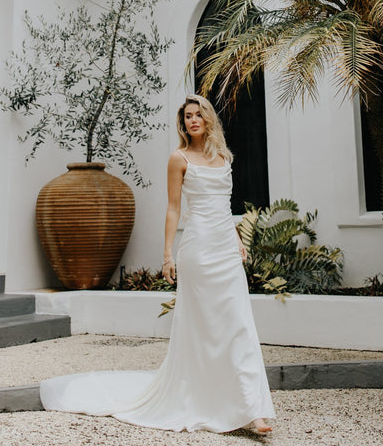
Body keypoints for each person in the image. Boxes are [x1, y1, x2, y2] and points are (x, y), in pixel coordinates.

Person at [40, 93, 275, 435]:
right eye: (187, 117)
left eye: (198, 115)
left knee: (239, 324)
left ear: (208, 119)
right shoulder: (178, 158)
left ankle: (253, 412)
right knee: (202, 328)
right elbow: (174, 209)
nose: (192, 120)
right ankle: (205, 399)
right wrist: (167, 253)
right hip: (197, 251)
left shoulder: (224, 157)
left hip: (225, 250)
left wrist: (238, 241)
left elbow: (224, 207)